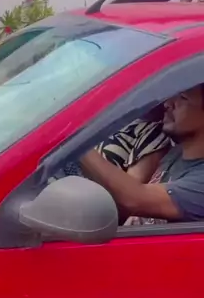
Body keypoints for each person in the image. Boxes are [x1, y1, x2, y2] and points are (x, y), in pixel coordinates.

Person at [80, 86, 204, 225]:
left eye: (183, 98)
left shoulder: (200, 181)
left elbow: (133, 199)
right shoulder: (176, 154)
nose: (167, 104)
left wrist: (78, 141)